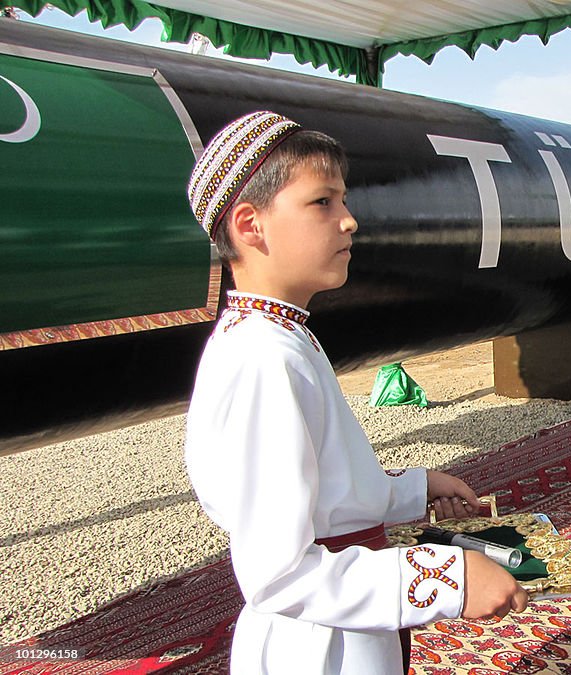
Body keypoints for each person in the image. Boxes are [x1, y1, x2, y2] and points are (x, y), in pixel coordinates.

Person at [183, 111, 527, 674]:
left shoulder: (283, 335)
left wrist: (412, 491)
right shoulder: (264, 358)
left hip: (344, 624)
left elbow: (326, 490)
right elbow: (279, 574)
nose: (349, 221)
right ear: (251, 226)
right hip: (317, 647)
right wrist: (446, 577)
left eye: (343, 202)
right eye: (323, 202)